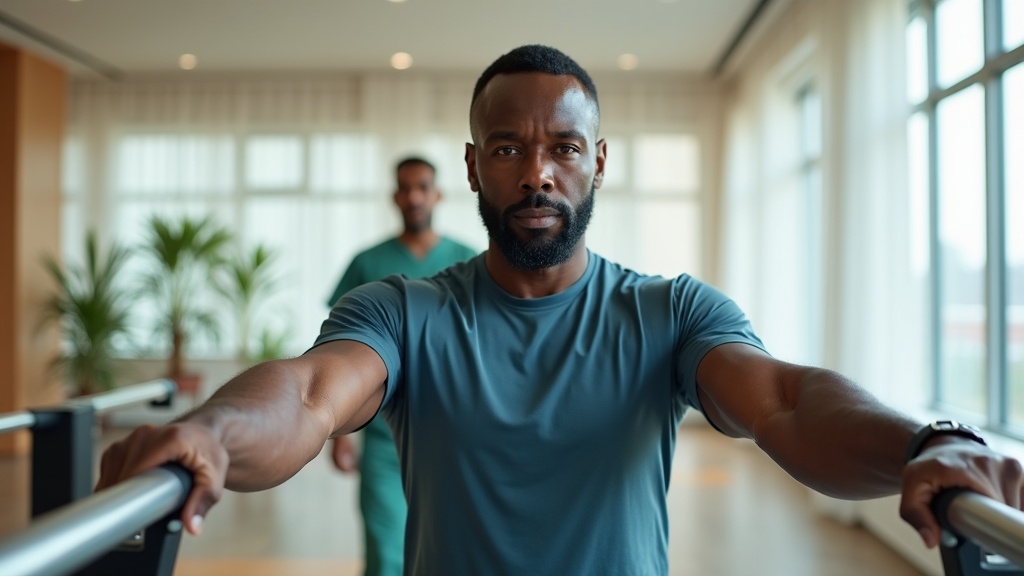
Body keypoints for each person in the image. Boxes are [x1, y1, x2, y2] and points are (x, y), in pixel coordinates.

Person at [97, 45, 1024, 575]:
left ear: (597, 162)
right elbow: (305, 395)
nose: (536, 170)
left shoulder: (670, 313)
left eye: (562, 148)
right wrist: (212, 428)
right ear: (472, 167)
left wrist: (926, 439)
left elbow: (782, 400)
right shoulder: (402, 311)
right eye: (506, 147)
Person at [325, 156, 476, 576]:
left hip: (452, 433)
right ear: (395, 196)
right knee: (385, 548)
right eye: (405, 188)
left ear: (437, 194)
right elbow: (338, 350)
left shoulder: (468, 261)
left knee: (451, 548)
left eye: (422, 187)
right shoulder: (366, 263)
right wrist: (337, 431)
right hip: (381, 434)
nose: (414, 196)